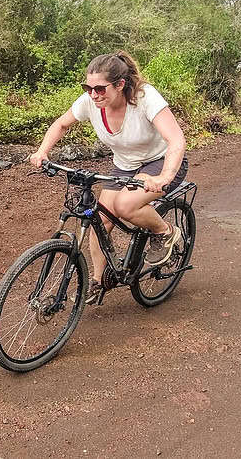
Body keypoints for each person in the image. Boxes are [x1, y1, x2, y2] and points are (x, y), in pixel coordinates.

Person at [28, 50, 188, 304]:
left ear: (120, 85)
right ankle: (99, 280)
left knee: (125, 206)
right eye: (88, 88)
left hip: (162, 162)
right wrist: (42, 151)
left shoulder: (145, 98)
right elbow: (61, 124)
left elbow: (176, 139)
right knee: (99, 218)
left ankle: (166, 232)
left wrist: (164, 176)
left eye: (100, 89)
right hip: (125, 166)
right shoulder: (90, 102)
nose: (93, 95)